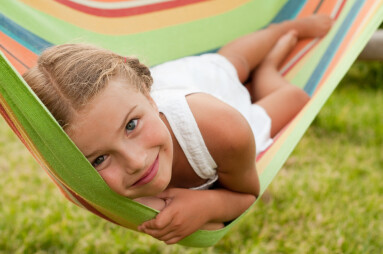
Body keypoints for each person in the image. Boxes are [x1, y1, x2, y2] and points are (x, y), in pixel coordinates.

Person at [22, 14, 332, 244]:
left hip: (204, 98)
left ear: (147, 94)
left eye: (132, 126)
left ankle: (275, 46)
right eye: (99, 159)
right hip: (160, 99)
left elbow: (247, 193)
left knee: (237, 67)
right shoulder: (87, 185)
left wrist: (209, 204)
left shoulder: (223, 129)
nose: (136, 161)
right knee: (231, 64)